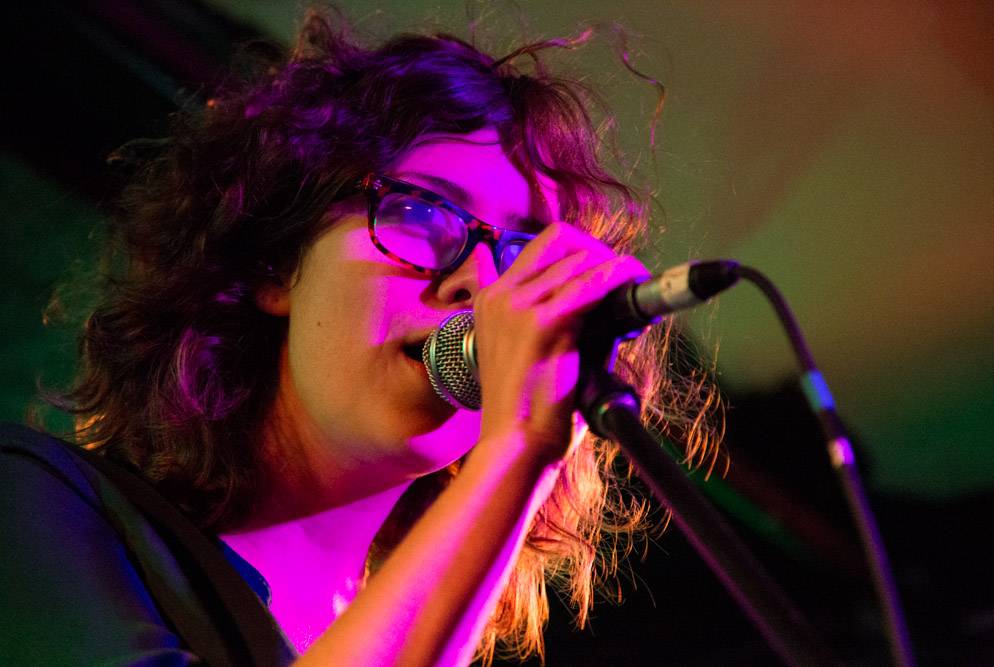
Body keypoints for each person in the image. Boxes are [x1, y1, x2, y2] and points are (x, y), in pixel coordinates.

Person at [1, 10, 722, 666]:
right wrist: (517, 449)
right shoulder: (38, 503)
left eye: (518, 255)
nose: (480, 285)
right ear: (276, 264)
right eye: (422, 213)